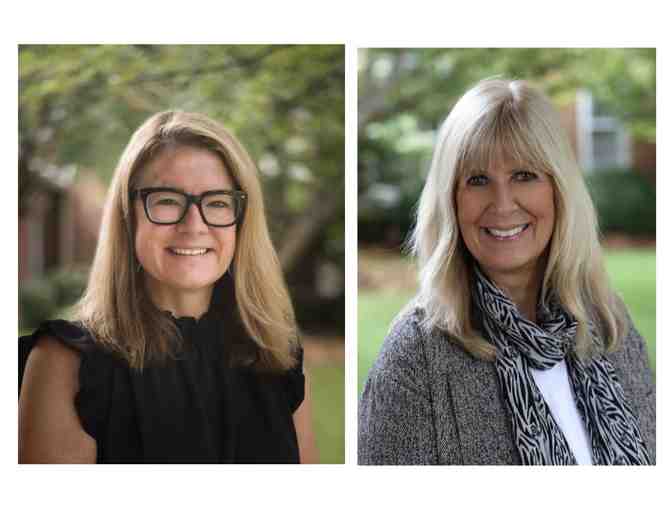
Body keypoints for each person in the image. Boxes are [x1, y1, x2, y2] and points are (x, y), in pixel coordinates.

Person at [358, 78, 655, 465]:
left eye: (524, 175)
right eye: (478, 180)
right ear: (451, 200)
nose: (502, 204)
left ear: (558, 189)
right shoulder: (417, 357)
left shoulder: (610, 325)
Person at [19, 111, 318, 463]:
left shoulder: (278, 358)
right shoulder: (65, 365)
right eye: (167, 200)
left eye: (218, 202)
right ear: (128, 216)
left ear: (241, 221)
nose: (194, 225)